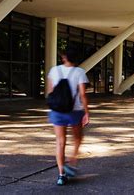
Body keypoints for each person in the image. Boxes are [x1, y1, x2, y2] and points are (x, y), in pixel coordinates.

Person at [47, 48, 89, 186]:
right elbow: (82, 94)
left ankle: (61, 175)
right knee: (77, 138)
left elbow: (50, 91)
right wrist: (87, 112)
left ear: (64, 57)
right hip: (75, 111)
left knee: (60, 142)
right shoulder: (80, 72)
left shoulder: (54, 70)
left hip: (58, 111)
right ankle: (72, 161)